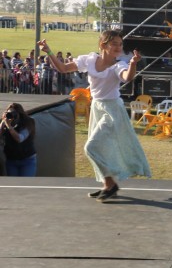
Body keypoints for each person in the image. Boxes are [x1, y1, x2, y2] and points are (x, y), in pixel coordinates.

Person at [39, 33, 150, 200]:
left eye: (120, 44)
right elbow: (62, 68)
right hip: (97, 108)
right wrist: (48, 51)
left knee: (90, 147)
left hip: (113, 111)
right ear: (103, 45)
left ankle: (111, 184)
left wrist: (133, 64)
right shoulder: (89, 60)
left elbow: (128, 77)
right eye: (114, 44)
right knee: (100, 149)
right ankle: (108, 185)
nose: (118, 47)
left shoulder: (118, 66)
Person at [1, 103, 37, 176]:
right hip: (11, 160)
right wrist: (3, 122)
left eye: (13, 114)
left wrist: (9, 126)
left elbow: (20, 138)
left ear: (19, 114)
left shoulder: (28, 122)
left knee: (25, 184)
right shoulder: (6, 123)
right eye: (9, 113)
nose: (11, 116)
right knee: (13, 185)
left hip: (27, 160)